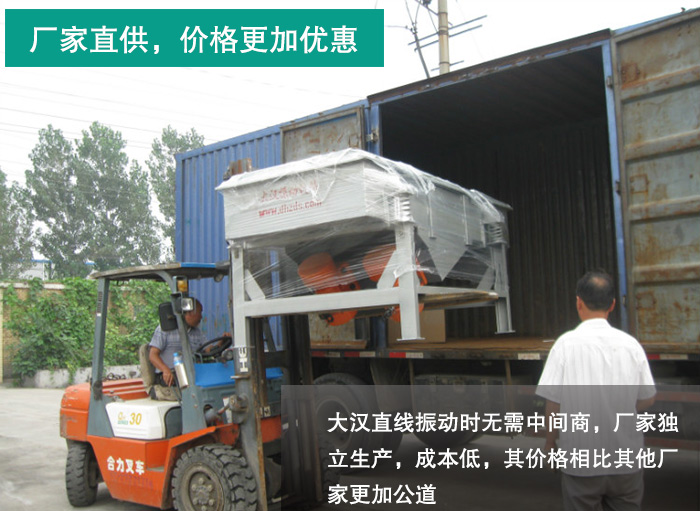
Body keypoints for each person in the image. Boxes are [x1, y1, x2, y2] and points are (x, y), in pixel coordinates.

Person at [536, 270, 656, 511]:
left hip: (581, 464)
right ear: (612, 305)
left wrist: (550, 444)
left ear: (578, 303)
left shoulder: (565, 345)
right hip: (626, 463)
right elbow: (648, 398)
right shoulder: (631, 345)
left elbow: (553, 403)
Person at [149, 298, 212, 388]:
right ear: (189, 313)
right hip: (171, 374)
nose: (201, 317)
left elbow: (209, 350)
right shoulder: (164, 330)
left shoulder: (197, 332)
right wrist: (165, 370)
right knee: (188, 381)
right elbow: (153, 355)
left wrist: (222, 343)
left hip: (192, 373)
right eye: (200, 312)